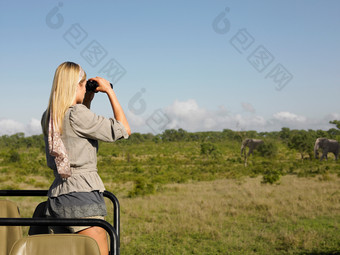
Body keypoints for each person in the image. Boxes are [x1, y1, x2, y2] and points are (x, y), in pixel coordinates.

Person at [41, 61, 131, 255]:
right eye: (83, 85)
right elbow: (123, 129)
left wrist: (87, 98)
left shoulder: (49, 115)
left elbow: (77, 130)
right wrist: (109, 91)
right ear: (76, 86)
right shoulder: (77, 114)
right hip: (83, 196)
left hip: (57, 198)